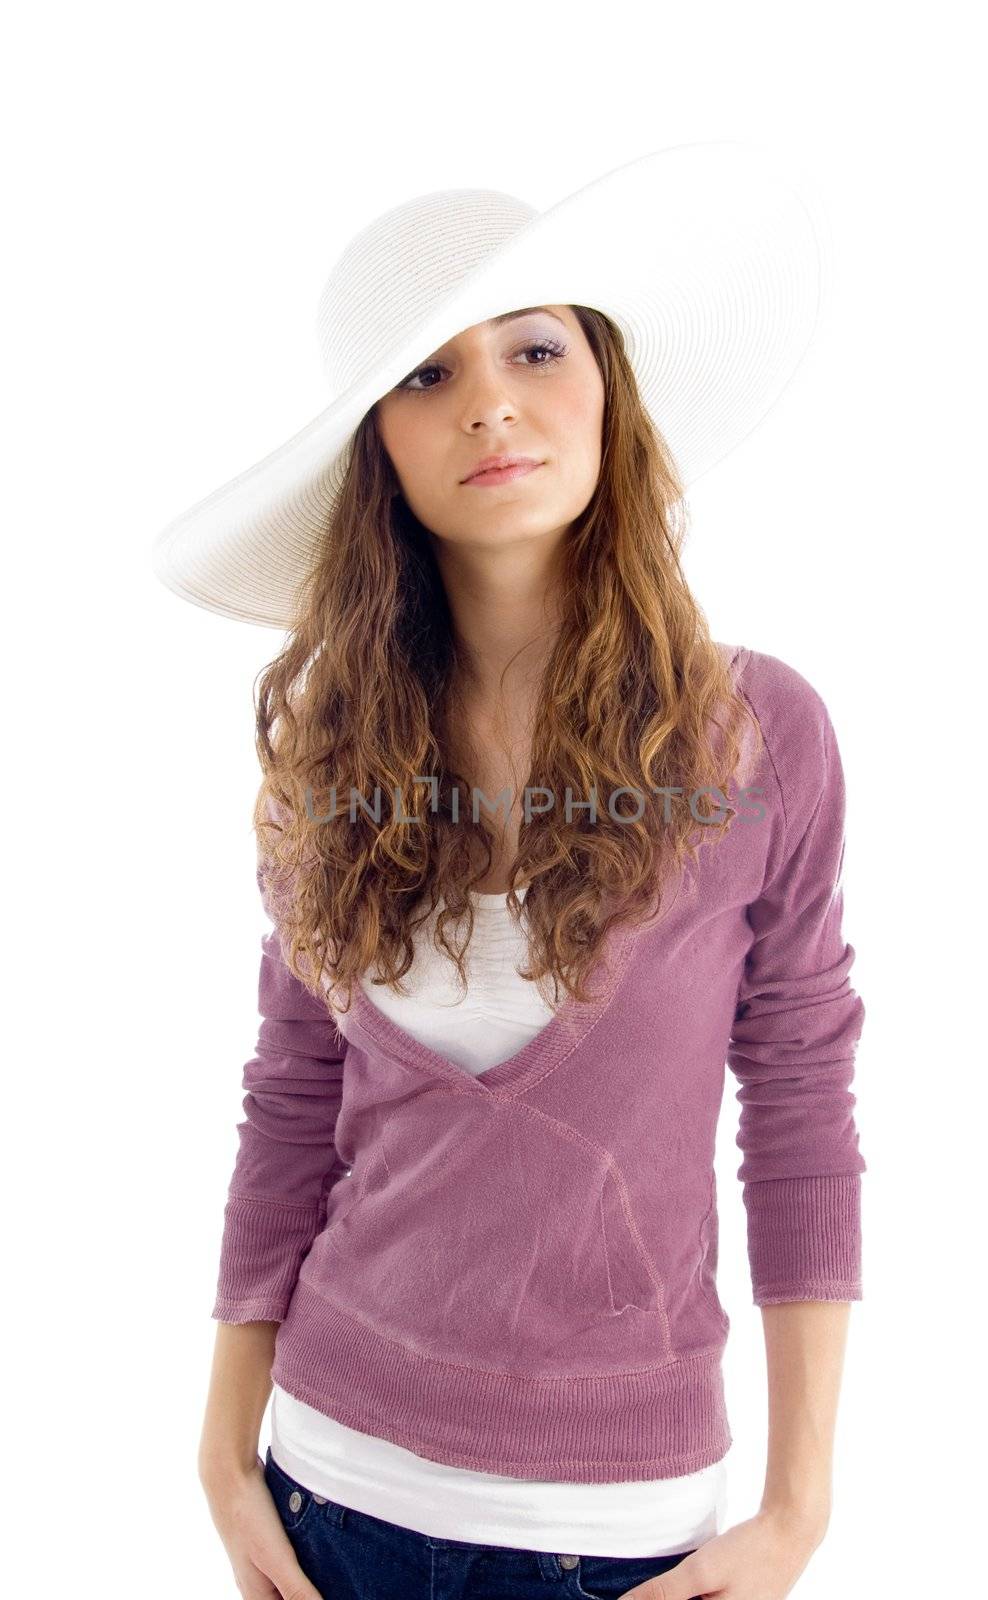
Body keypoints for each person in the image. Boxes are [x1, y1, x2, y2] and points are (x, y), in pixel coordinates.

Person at [153, 144, 866, 1600]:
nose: (488, 400)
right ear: (380, 452)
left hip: (621, 1538)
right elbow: (292, 1102)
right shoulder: (332, 761)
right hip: (325, 1493)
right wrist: (223, 1461)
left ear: (606, 385)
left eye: (535, 348)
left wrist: (797, 1512)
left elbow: (800, 1101)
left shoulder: (757, 737)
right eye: (425, 375)